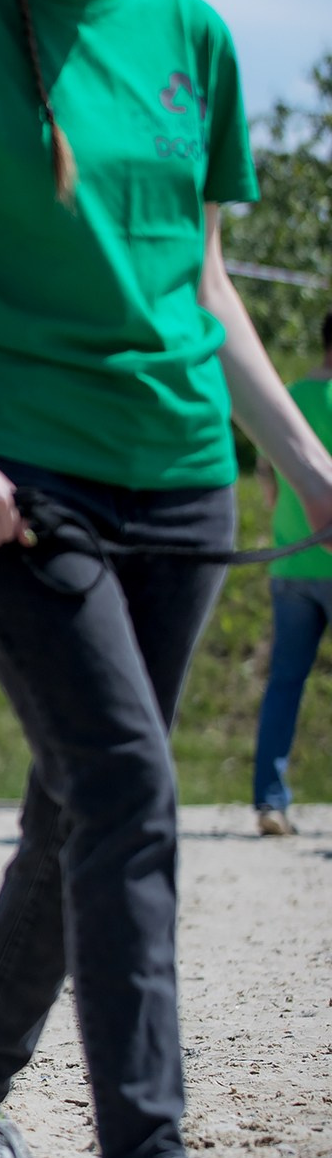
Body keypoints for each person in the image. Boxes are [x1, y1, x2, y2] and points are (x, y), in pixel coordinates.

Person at [0, 0, 332, 1158]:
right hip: (14, 480)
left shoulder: (196, 39)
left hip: (182, 472)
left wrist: (303, 456)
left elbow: (206, 282)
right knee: (128, 786)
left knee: (82, 802)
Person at [249, 311, 332, 838]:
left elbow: (267, 477)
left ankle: (270, 802)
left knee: (284, 684)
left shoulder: (290, 399)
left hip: (289, 561)